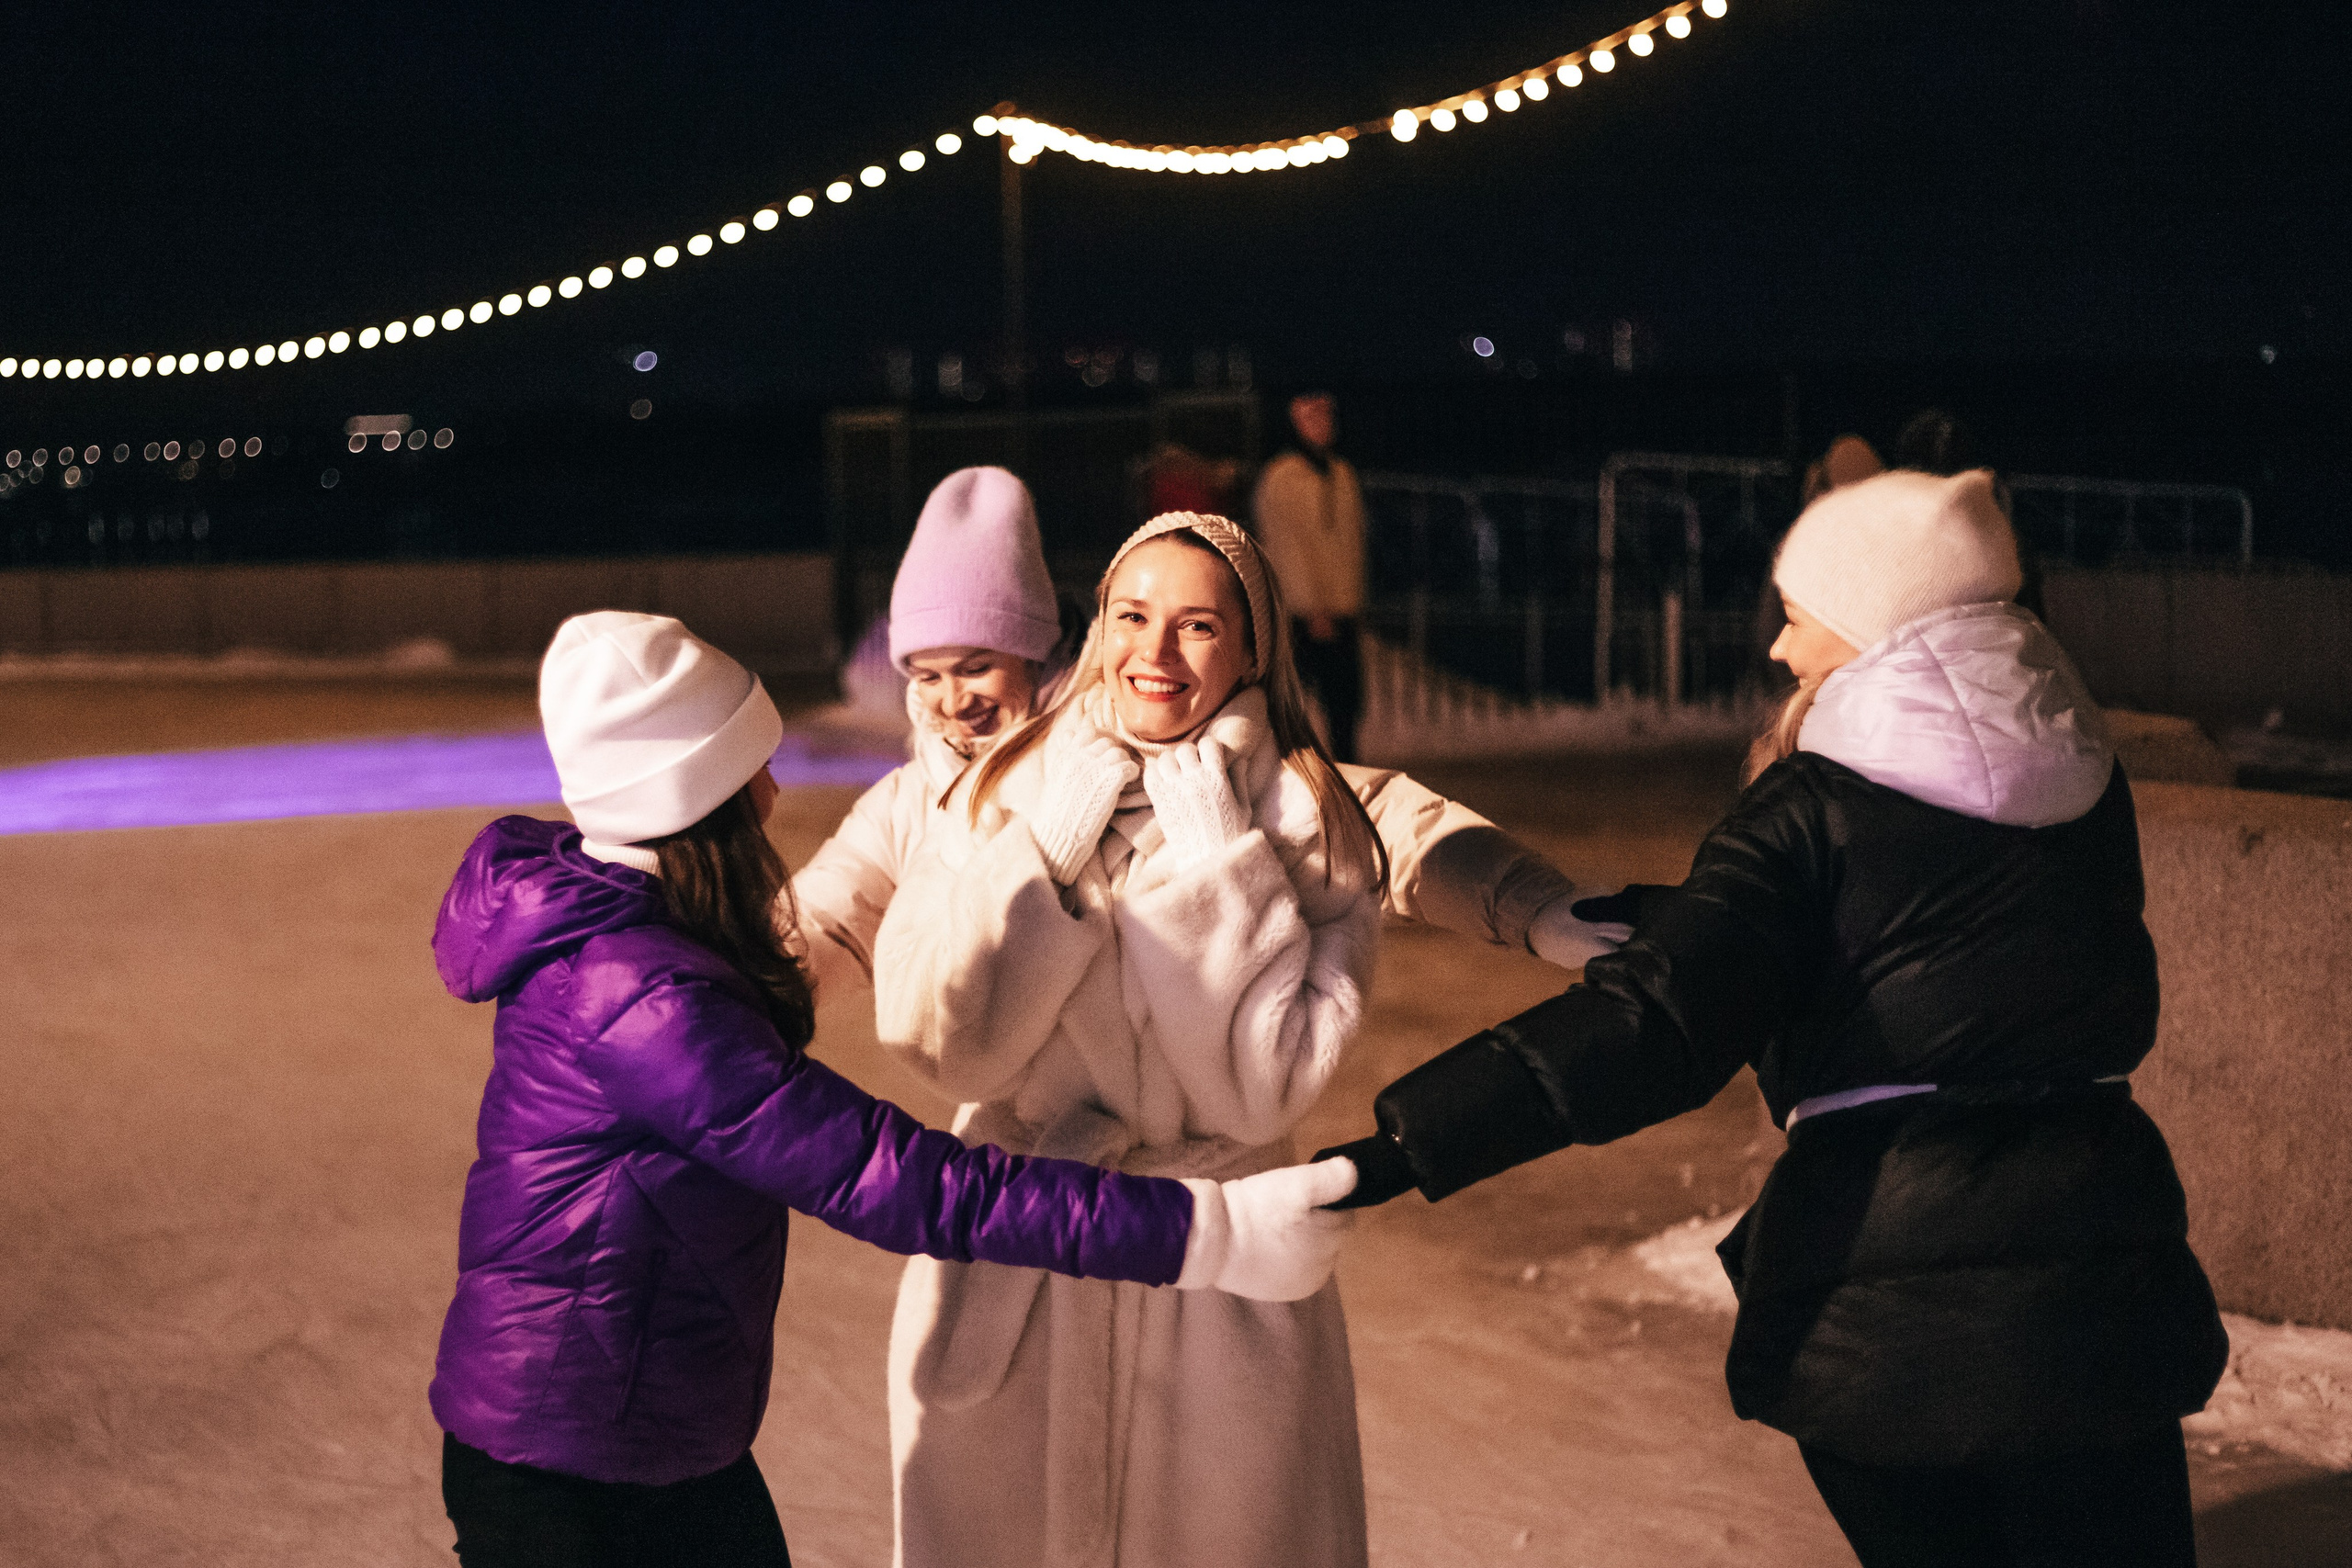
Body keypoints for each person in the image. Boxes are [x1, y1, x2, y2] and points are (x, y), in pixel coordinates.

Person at [1317, 469, 2228, 1568]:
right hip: (2103, 1275)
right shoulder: (2083, 780)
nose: (1780, 653)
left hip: (1892, 1302)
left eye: (1799, 618)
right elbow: (1951, 952)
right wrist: (1696, 923)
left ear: (1868, 624)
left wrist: (1402, 1146)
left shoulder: (1809, 806)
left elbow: (1655, 1030)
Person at [426, 610, 1360, 1568]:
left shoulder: (627, 931)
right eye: (753, 769)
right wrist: (1206, 1235)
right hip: (570, 1465)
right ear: (701, 799)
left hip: (644, 1433)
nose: (776, 788)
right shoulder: (641, 996)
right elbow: (899, 1181)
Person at [870, 513, 1383, 1568]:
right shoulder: (995, 786)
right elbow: (945, 1049)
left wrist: (1214, 863)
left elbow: (1261, 1092)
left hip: (1214, 1277)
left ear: (1250, 648)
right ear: (1095, 626)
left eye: (1196, 626)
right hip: (1020, 1252)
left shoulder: (1306, 823)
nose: (1153, 653)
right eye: (1132, 615)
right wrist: (1046, 857)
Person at [791, 467, 1623, 1003]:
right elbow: (836, 900)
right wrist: (742, 987)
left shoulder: (1141, 749)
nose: (950, 700)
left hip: (1205, 1198)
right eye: (924, 675)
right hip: (1031, 1191)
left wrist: (1532, 904)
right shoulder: (917, 796)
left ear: (1041, 645)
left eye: (976, 666)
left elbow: (1392, 827)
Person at [1251, 391, 1367, 761]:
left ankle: (1346, 775)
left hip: (1342, 608)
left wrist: (1351, 600)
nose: (1322, 424)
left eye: (1326, 415)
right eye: (1310, 417)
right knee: (1292, 704)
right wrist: (1311, 608)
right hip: (1304, 614)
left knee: (1346, 703)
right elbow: (1286, 548)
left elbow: (1351, 544)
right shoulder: (1282, 477)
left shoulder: (1342, 472)